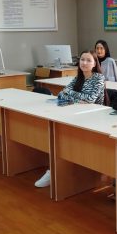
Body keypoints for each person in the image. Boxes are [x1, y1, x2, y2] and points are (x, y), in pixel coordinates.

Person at [34, 50, 105, 188]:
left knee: (66, 137)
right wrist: (78, 98)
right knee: (58, 134)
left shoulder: (98, 78)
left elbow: (90, 99)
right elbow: (61, 94)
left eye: (88, 60)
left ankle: (55, 170)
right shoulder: (78, 77)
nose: (84, 63)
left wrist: (72, 94)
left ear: (94, 64)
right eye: (82, 59)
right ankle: (54, 169)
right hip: (76, 114)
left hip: (94, 118)